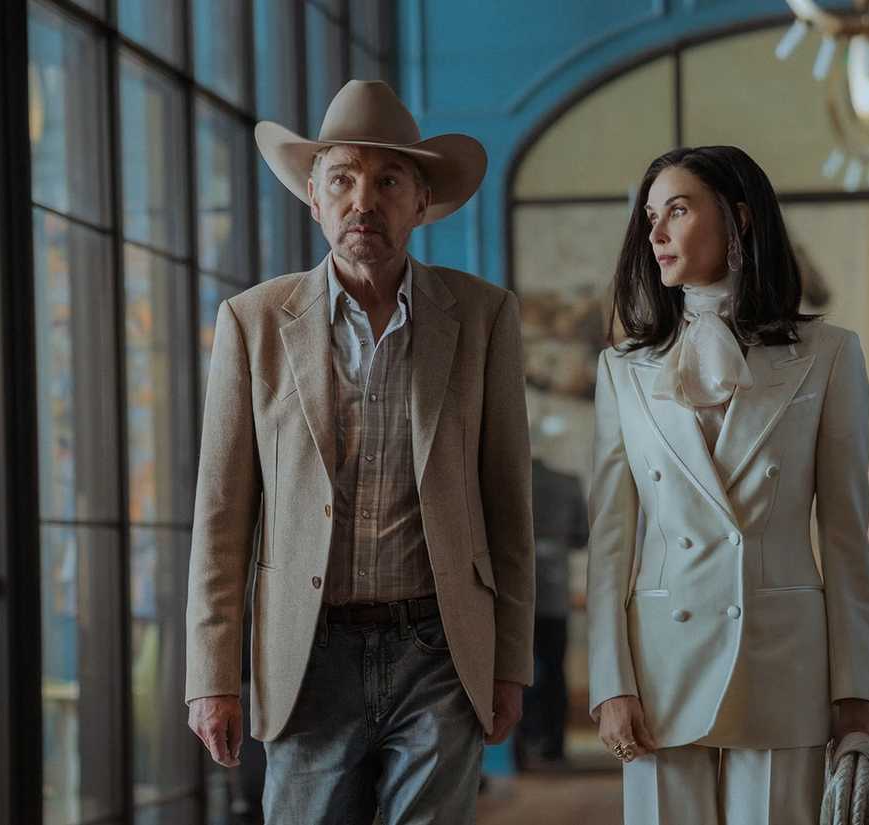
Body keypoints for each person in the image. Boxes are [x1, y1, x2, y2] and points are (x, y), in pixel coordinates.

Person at [183, 80, 535, 824]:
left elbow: (509, 507)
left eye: (387, 180)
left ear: (420, 201)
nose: (362, 199)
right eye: (342, 179)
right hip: (308, 654)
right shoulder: (254, 323)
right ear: (314, 197)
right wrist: (211, 675)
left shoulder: (482, 317)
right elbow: (221, 515)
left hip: (439, 648)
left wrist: (511, 662)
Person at [586, 145, 869, 825]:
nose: (655, 232)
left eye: (678, 210)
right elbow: (609, 542)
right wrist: (610, 681)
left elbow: (846, 537)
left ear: (740, 220)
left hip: (782, 654)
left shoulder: (830, 356)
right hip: (661, 657)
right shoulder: (622, 370)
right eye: (650, 217)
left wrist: (859, 690)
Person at [517, 458, 589, 769]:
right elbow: (582, 536)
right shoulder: (567, 480)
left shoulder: (511, 474)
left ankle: (521, 748)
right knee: (555, 669)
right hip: (554, 589)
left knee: (515, 671)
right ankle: (554, 747)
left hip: (513, 592)